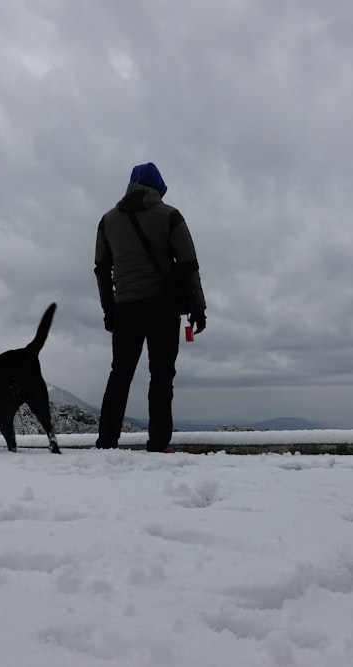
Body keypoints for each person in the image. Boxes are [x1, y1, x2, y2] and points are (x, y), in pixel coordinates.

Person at [93, 162, 206, 452]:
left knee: (120, 374)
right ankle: (158, 443)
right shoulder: (170, 216)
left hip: (126, 310)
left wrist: (110, 312)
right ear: (159, 186)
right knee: (161, 374)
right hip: (163, 308)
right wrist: (197, 308)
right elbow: (189, 266)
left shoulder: (107, 221)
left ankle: (106, 441)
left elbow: (102, 270)